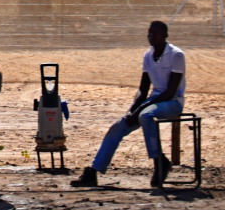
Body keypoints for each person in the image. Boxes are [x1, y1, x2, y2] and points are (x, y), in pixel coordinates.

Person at [71, 21, 186, 188]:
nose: (151, 36)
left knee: (146, 115)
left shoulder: (176, 55)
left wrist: (140, 110)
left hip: (172, 102)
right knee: (118, 126)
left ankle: (159, 162)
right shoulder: (148, 56)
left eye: (155, 33)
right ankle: (93, 171)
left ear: (165, 35)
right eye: (149, 32)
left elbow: (169, 92)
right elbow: (143, 90)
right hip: (152, 101)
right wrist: (131, 111)